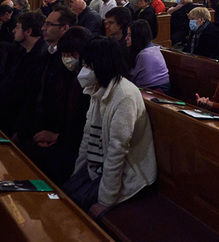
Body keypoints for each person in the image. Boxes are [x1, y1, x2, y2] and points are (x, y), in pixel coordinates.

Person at [62, 37, 157, 219]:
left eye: (88, 66)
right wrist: (77, 175)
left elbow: (117, 151)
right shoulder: (97, 88)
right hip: (98, 167)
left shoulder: (125, 95)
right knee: (63, 194)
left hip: (129, 173)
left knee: (72, 211)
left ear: (102, 64)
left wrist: (106, 200)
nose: (84, 71)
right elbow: (88, 137)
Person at [14, 26, 92, 186]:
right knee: (25, 148)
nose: (67, 59)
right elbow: (56, 113)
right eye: (64, 54)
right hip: (62, 137)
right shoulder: (65, 77)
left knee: (36, 157)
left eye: (72, 54)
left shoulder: (90, 84)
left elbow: (84, 129)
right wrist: (46, 135)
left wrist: (56, 138)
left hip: (77, 147)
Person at [0, 12, 49, 135]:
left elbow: (28, 98)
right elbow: (5, 79)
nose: (13, 30)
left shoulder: (40, 57)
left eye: (17, 27)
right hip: (3, 111)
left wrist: (19, 132)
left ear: (28, 32)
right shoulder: (21, 50)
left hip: (14, 120)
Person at [126, 20, 169, 93]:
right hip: (151, 88)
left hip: (158, 91)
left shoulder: (145, 54)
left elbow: (131, 77)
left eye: (129, 35)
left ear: (137, 37)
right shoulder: (148, 48)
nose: (126, 38)